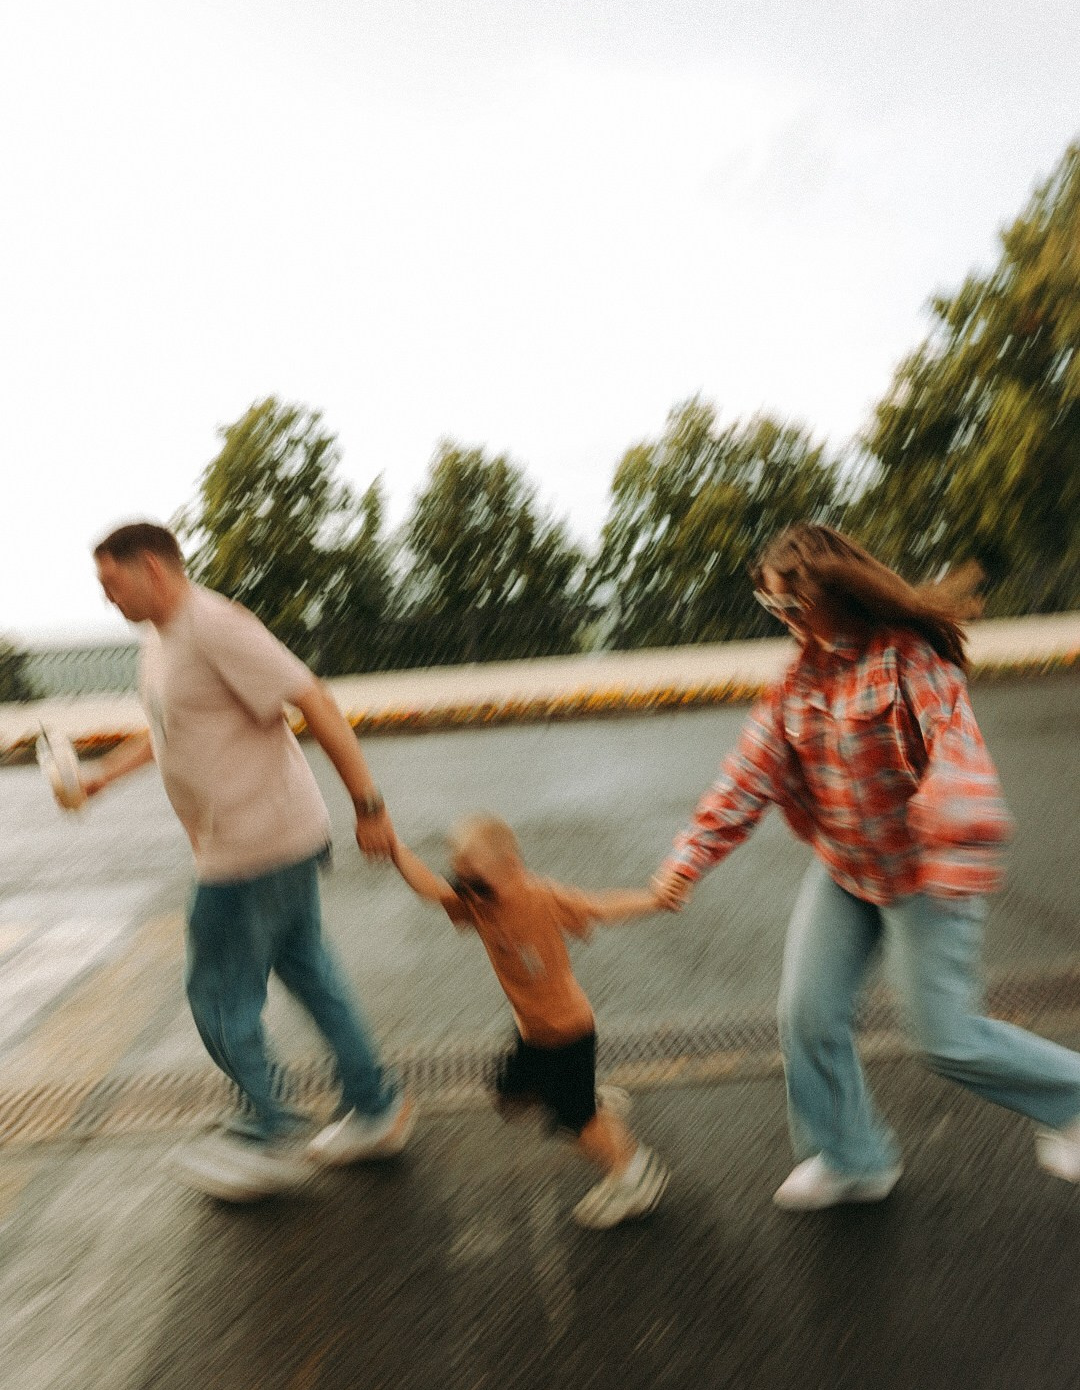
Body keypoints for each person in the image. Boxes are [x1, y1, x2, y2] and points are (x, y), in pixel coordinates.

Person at [653, 523, 1080, 1211]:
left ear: (836, 594)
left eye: (793, 606)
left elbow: (957, 753)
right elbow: (747, 774)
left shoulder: (905, 660)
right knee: (807, 1014)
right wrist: (689, 858)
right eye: (772, 609)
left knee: (947, 1038)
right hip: (847, 872)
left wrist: (951, 844)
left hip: (926, 874)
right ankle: (852, 1159)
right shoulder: (797, 681)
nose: (786, 621)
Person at [86, 521, 413, 1201]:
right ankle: (376, 1109)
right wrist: (101, 778)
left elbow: (310, 696)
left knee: (216, 991)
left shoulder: (214, 625)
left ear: (150, 566)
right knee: (312, 973)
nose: (108, 601)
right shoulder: (161, 642)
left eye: (111, 585)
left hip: (252, 846)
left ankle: (269, 1128)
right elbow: (170, 727)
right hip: (271, 839)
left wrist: (370, 804)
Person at [391, 814, 670, 1228]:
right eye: (462, 879)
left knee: (574, 1122)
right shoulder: (474, 899)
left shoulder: (539, 897)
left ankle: (633, 1174)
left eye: (479, 881)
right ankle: (593, 1106)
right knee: (511, 1096)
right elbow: (431, 888)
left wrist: (655, 899)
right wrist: (393, 845)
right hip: (531, 1033)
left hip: (568, 1033)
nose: (469, 891)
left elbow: (601, 907)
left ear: (513, 869)